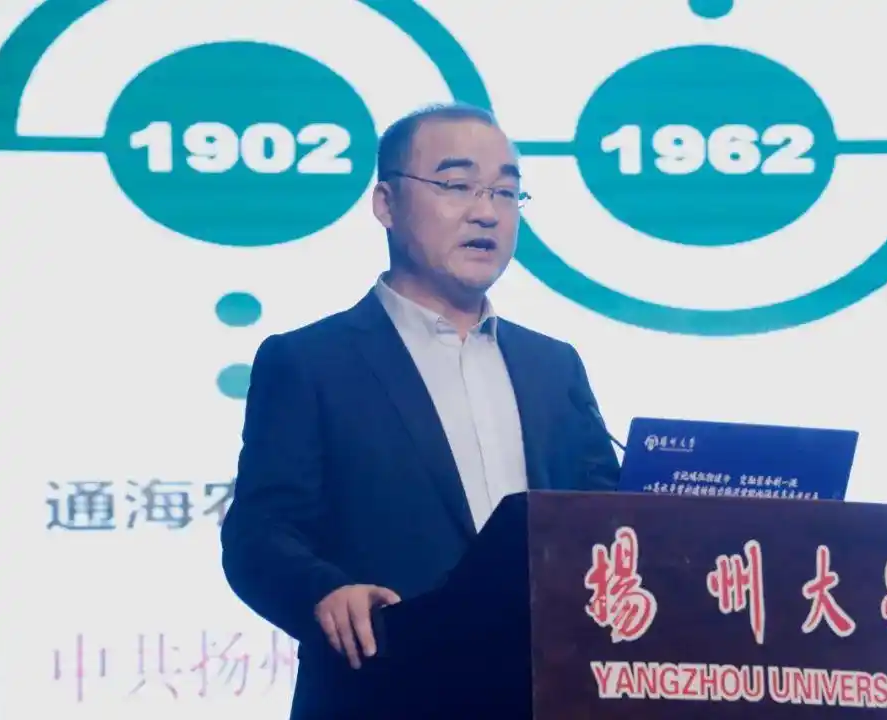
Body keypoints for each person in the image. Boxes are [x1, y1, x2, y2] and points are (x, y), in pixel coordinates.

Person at [220, 102, 619, 719]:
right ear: (386, 203)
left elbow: (607, 523)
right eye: (457, 185)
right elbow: (259, 532)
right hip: (384, 691)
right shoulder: (310, 361)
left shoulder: (553, 366)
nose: (486, 211)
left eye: (506, 192)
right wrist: (325, 592)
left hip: (547, 697)